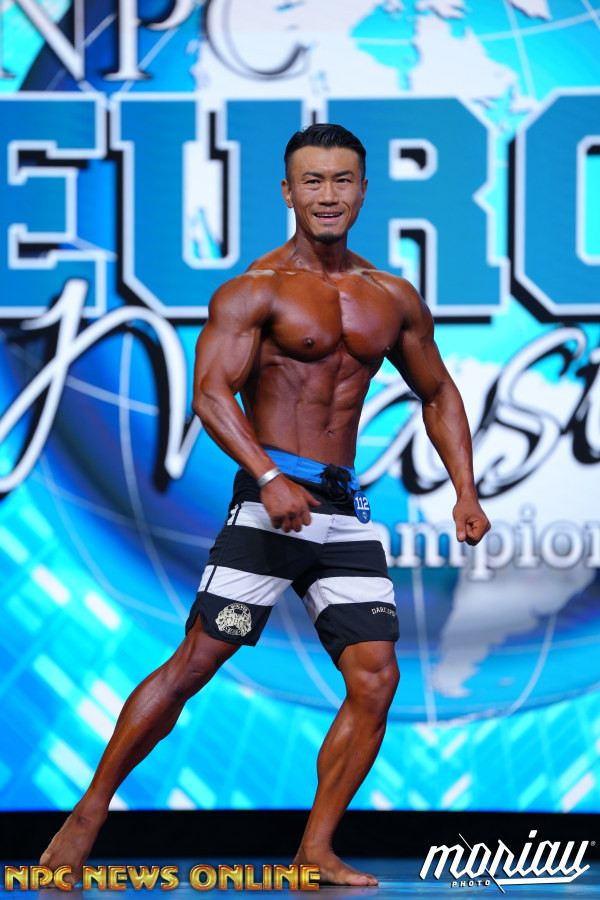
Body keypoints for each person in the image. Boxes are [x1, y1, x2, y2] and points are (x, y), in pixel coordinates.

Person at [41, 123, 490, 887]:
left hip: (342, 511)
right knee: (196, 662)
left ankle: (314, 849)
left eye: (341, 180)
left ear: (363, 190)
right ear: (288, 192)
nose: (327, 194)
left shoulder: (390, 297)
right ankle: (86, 814)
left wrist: (466, 490)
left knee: (376, 678)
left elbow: (438, 390)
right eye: (312, 181)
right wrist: (267, 474)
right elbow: (211, 393)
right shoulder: (256, 290)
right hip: (268, 505)